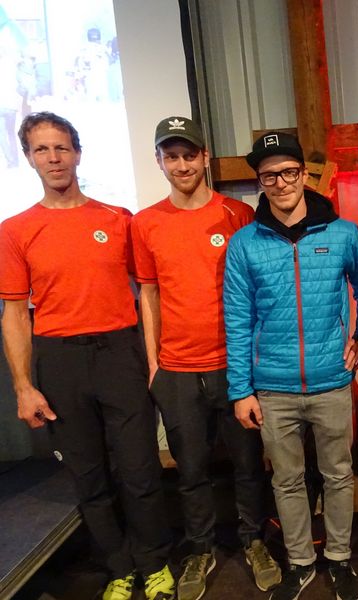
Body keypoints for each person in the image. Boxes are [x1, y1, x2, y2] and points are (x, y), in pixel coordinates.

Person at [0, 112, 174, 600]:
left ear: (77, 153)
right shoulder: (15, 230)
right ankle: (118, 567)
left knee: (139, 469)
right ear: (29, 158)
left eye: (61, 147)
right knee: (89, 476)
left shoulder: (118, 219)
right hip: (59, 361)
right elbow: (14, 314)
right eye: (41, 149)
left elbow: (149, 291)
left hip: (119, 353)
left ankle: (154, 563)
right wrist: (23, 386)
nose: (53, 158)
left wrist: (155, 358)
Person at [131, 116, 279, 599]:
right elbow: (149, 294)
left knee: (248, 464)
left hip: (234, 368)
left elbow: (257, 291)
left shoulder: (237, 214)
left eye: (189, 155)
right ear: (159, 161)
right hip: (176, 370)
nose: (182, 165)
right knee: (191, 470)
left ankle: (254, 540)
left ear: (205, 156)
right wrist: (154, 364)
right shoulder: (145, 223)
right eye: (171, 156)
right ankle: (199, 549)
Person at [224, 131, 358, 600]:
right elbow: (237, 319)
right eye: (270, 176)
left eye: (289, 172)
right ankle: (301, 562)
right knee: (286, 481)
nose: (281, 182)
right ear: (260, 183)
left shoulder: (343, 234)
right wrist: (240, 390)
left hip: (330, 381)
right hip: (273, 387)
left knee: (338, 475)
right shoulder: (244, 244)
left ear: (304, 174)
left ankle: (340, 559)